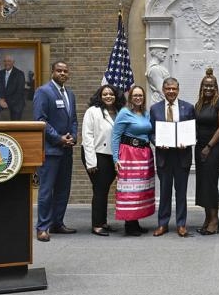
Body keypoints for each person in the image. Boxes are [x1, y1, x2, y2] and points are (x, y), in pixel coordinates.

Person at [33, 61, 78, 242]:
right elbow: (40, 120)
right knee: (46, 190)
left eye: (65, 71)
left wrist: (73, 137)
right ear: (52, 72)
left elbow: (73, 119)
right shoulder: (43, 92)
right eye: (59, 71)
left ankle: (57, 223)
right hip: (51, 149)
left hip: (67, 150)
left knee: (63, 189)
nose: (62, 73)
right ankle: (42, 227)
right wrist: (58, 138)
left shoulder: (70, 94)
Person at [150, 78, 196, 237]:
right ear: (163, 90)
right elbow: (151, 132)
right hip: (164, 156)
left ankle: (181, 224)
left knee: (181, 192)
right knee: (164, 191)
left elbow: (192, 130)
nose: (171, 91)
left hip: (182, 156)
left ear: (178, 90)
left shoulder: (188, 108)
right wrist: (157, 142)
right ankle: (163, 224)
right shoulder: (155, 109)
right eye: (168, 89)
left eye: (174, 89)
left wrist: (189, 141)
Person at [81, 85, 126, 236]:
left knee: (104, 189)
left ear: (115, 96)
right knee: (100, 189)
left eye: (111, 94)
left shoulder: (119, 111)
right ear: (100, 96)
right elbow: (87, 137)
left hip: (112, 156)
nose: (108, 96)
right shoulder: (92, 111)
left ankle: (103, 221)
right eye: (105, 94)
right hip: (96, 154)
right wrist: (91, 162)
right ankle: (97, 225)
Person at [111, 86, 155, 236]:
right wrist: (116, 159)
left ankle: (135, 222)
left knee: (140, 190)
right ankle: (129, 225)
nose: (138, 98)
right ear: (130, 97)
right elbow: (115, 136)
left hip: (144, 155)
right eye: (135, 95)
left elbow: (150, 134)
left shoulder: (146, 113)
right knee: (130, 190)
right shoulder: (124, 113)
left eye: (140, 95)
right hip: (129, 155)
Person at [194, 68, 219, 235]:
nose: (208, 88)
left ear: (216, 87)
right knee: (202, 182)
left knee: (210, 181)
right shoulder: (199, 104)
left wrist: (209, 146)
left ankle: (214, 220)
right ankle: (208, 218)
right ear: (201, 87)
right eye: (205, 86)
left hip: (215, 147)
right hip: (200, 147)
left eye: (211, 86)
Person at [0, 54, 26, 120]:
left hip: (15, 101)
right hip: (2, 99)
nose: (6, 63)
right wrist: (0, 99)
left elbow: (19, 92)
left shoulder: (20, 74)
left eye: (9, 61)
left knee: (15, 120)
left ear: (13, 62)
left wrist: (8, 103)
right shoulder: (0, 73)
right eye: (5, 61)